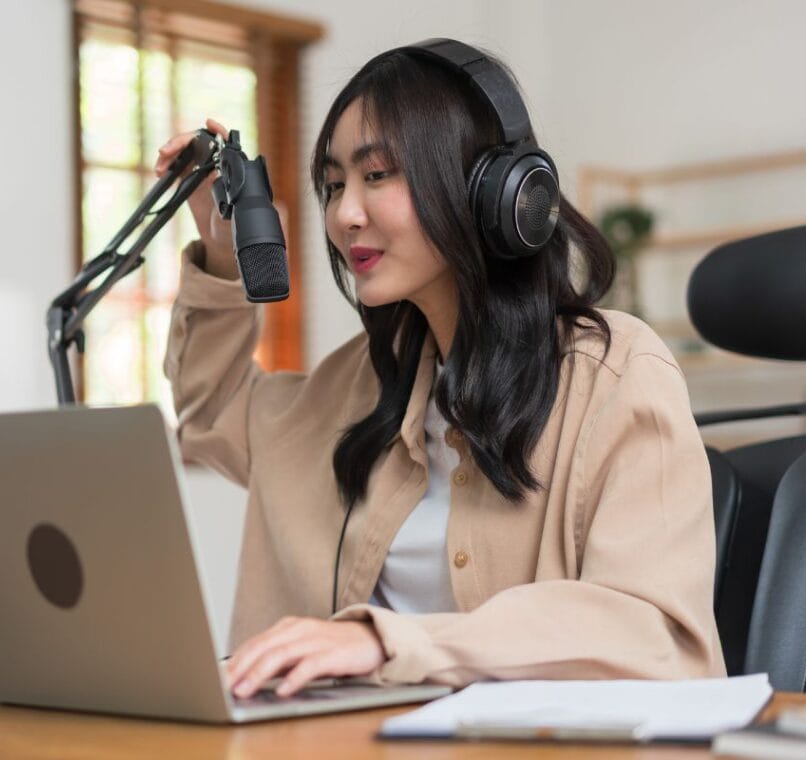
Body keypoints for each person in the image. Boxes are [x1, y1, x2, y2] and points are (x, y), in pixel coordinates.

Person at [157, 38, 725, 700]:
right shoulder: (353, 387)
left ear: (492, 193)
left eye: (377, 176)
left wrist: (387, 641)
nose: (344, 213)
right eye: (335, 183)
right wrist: (224, 258)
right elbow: (210, 415)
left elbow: (654, 634)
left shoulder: (617, 375)